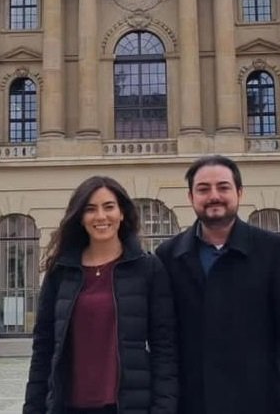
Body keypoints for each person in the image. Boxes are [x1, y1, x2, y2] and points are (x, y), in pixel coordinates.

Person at [156, 155, 280, 414]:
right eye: (203, 189)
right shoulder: (169, 255)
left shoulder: (274, 251)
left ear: (239, 193)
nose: (214, 196)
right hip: (192, 402)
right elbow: (165, 340)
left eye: (223, 187)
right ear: (191, 197)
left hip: (258, 399)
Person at [24, 176, 178, 414]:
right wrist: (33, 408)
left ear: (122, 213)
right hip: (68, 406)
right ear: (80, 217)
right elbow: (43, 347)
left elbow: (164, 348)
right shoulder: (62, 271)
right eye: (90, 209)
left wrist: (163, 409)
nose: (101, 217)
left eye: (109, 207)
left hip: (126, 406)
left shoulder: (148, 268)